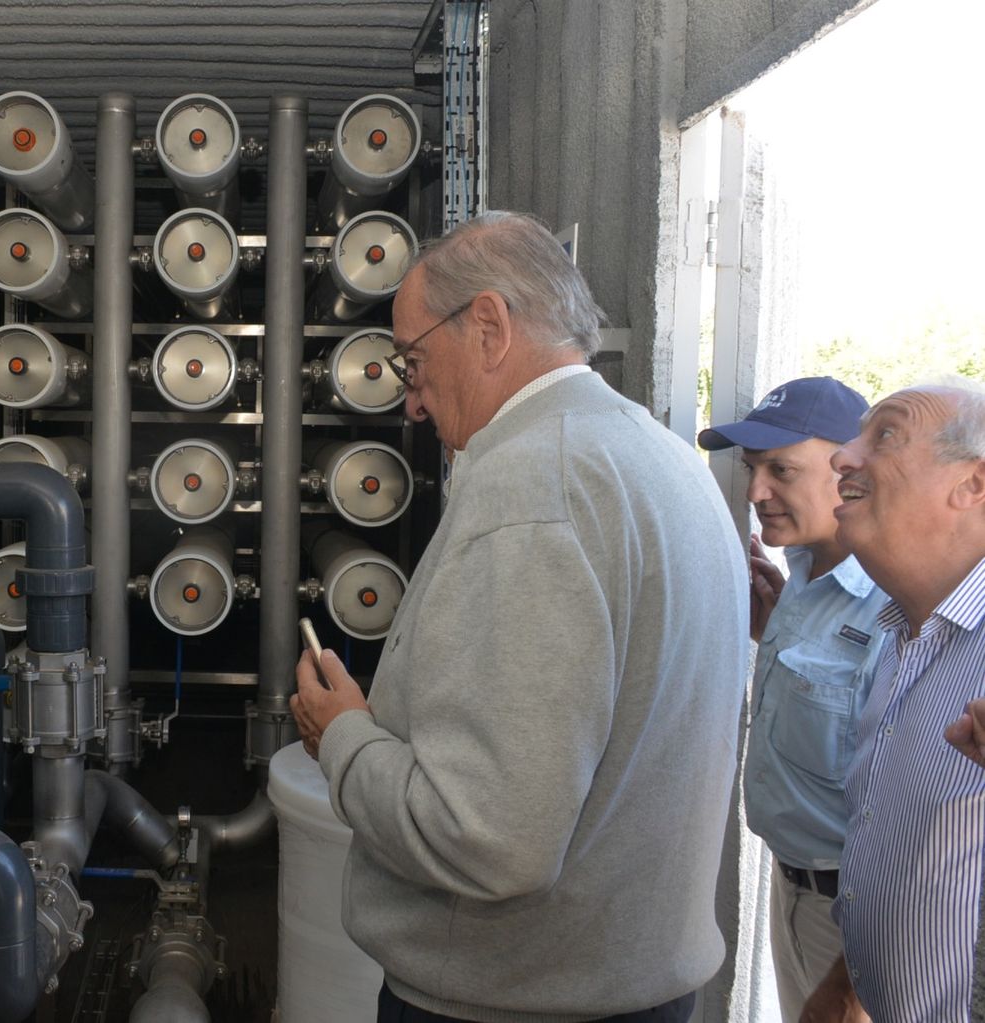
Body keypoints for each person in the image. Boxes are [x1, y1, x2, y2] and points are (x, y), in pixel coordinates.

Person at [289, 212, 749, 1023]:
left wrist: (345, 737)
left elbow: (491, 835)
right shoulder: (667, 459)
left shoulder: (533, 487)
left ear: (491, 325)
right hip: (635, 980)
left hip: (515, 1000)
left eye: (415, 360)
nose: (413, 402)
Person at [697, 377, 888, 1022]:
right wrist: (773, 630)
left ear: (850, 469)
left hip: (859, 922)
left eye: (781, 469)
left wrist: (854, 981)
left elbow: (920, 822)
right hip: (794, 890)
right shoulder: (801, 579)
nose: (755, 493)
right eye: (752, 469)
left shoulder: (900, 606)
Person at [799, 380, 985, 1022]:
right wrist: (846, 984)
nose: (842, 457)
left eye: (885, 435)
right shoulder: (898, 631)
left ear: (974, 485)